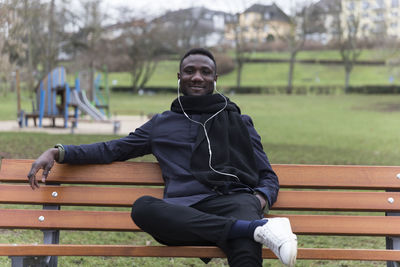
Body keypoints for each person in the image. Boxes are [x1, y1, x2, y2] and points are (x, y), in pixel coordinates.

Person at [27, 48, 297, 267]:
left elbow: (267, 175)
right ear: (179, 77)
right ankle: (254, 229)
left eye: (205, 72)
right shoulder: (161, 124)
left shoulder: (239, 121)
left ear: (215, 79)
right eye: (190, 71)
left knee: (245, 249)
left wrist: (259, 198)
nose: (197, 77)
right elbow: (113, 149)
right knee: (143, 208)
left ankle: (247, 229)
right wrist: (59, 152)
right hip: (183, 210)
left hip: (233, 200)